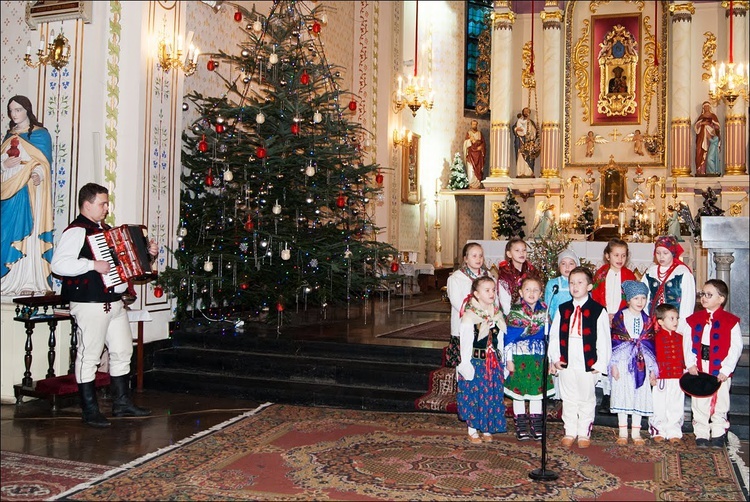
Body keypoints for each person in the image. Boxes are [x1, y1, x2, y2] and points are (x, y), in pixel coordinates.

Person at [51, 183, 157, 428]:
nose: (106, 208)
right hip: (89, 303)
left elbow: (129, 265)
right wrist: (91, 265)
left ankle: (122, 403)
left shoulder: (107, 231)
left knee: (122, 351)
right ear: (87, 205)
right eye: (102, 203)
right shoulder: (76, 231)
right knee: (89, 355)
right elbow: (59, 265)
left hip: (114, 302)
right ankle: (89, 410)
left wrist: (148, 255)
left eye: (107, 203)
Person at [549, 266, 612, 449]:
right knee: (568, 397)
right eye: (572, 283)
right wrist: (555, 357)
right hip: (567, 355)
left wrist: (600, 363)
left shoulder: (598, 310)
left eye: (580, 282)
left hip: (587, 358)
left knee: (586, 397)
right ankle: (570, 430)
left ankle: (584, 431)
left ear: (590, 286)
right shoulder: (563, 309)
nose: (575, 286)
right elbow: (554, 335)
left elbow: (603, 339)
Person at [1, 95, 54, 297]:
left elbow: (44, 163)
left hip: (29, 191)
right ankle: (7, 277)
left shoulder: (40, 135)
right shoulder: (8, 136)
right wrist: (3, 165)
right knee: (5, 233)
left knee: (28, 232)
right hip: (8, 191)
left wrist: (37, 174)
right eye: (11, 110)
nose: (14, 114)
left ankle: (29, 279)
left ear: (27, 110)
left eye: (18, 110)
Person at [683, 279, 742, 448]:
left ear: (721, 299)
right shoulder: (693, 320)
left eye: (709, 295)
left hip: (720, 367)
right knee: (699, 400)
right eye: (703, 294)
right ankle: (701, 432)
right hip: (700, 365)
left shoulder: (731, 321)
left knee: (721, 400)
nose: (704, 298)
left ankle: (718, 432)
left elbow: (736, 347)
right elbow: (687, 344)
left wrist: (727, 369)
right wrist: (690, 363)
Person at [456, 276, 511, 443]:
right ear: (476, 294)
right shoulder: (469, 318)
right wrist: (465, 365)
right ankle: (473, 429)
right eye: (487, 290)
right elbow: (465, 343)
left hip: (492, 362)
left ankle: (487, 426)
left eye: (493, 290)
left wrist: (503, 362)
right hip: (476, 362)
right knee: (475, 395)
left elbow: (500, 340)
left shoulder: (497, 315)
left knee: (491, 394)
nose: (491, 293)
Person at [609, 281, 658, 446]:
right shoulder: (620, 317)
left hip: (641, 363)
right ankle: (623, 431)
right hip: (623, 362)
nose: (640, 301)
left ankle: (636, 432)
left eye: (643, 298)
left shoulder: (648, 320)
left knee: (639, 394)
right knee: (622, 394)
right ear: (628, 299)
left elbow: (650, 344)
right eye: (636, 298)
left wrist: (652, 369)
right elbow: (614, 341)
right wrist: (613, 365)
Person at [504, 276, 553, 441]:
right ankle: (521, 424)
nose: (531, 293)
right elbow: (509, 339)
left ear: (541, 293)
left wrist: (550, 360)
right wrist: (509, 360)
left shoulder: (545, 312)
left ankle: (536, 424)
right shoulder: (515, 313)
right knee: (519, 393)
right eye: (527, 289)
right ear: (520, 292)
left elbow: (549, 338)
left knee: (536, 392)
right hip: (519, 357)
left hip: (538, 358)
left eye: (535, 290)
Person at [446, 242, 490, 367]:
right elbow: (457, 302)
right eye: (474, 256)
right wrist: (476, 313)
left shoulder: (487, 276)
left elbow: (493, 297)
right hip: (464, 323)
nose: (478, 259)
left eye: (480, 256)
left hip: (484, 324)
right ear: (465, 259)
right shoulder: (456, 278)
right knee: (463, 363)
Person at [648, 303, 686, 443]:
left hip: (677, 376)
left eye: (677, 318)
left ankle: (674, 430)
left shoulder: (681, 338)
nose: (675, 322)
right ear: (660, 321)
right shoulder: (654, 339)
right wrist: (652, 374)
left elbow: (685, 357)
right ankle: (658, 429)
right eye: (671, 318)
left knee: (675, 404)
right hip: (661, 377)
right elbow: (651, 358)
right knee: (659, 404)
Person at [641, 235, 695, 323]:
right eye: (658, 253)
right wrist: (646, 320)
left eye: (665, 253)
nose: (661, 257)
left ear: (672, 253)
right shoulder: (650, 273)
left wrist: (681, 326)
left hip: (674, 323)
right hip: (653, 322)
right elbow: (644, 297)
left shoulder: (682, 273)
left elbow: (687, 302)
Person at [592, 238, 637, 320]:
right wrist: (604, 313)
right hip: (602, 315)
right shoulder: (600, 275)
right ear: (608, 256)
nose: (620, 259)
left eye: (623, 256)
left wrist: (620, 314)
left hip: (623, 317)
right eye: (616, 255)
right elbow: (595, 295)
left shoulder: (629, 276)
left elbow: (632, 299)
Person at [496, 237, 538, 316]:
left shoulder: (532, 270)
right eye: (517, 250)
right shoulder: (505, 273)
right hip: (512, 313)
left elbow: (537, 290)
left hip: (532, 310)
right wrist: (512, 314)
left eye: (524, 250)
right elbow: (504, 298)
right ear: (509, 254)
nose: (521, 253)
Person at [544, 249, 579, 324]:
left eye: (571, 264)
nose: (567, 267)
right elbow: (548, 306)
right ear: (559, 266)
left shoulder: (581, 283)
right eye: (563, 263)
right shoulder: (552, 284)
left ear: (576, 266)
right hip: (556, 323)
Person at [694, 101, 721, 176]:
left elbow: (717, 127)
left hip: (711, 137)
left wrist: (711, 124)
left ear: (710, 107)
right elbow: (696, 128)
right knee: (701, 151)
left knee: (710, 157)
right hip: (702, 137)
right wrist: (703, 123)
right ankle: (701, 170)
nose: (706, 108)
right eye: (705, 106)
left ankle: (712, 172)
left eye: (707, 106)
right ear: (703, 108)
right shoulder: (701, 117)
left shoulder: (713, 116)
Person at [513, 107, 538, 178]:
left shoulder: (531, 123)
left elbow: (535, 133)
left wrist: (531, 135)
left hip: (529, 143)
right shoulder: (519, 121)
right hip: (521, 142)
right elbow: (515, 128)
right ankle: (520, 172)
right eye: (525, 111)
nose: (526, 113)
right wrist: (516, 130)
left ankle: (529, 172)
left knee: (529, 157)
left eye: (527, 111)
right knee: (521, 155)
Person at [463, 119, 486, 189]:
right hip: (471, 155)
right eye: (473, 124)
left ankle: (477, 184)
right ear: (471, 125)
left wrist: (481, 147)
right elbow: (465, 143)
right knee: (470, 170)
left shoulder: (480, 133)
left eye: (475, 124)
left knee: (478, 170)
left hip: (478, 156)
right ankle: (471, 184)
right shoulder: (469, 133)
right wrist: (470, 140)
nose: (474, 125)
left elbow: (483, 144)